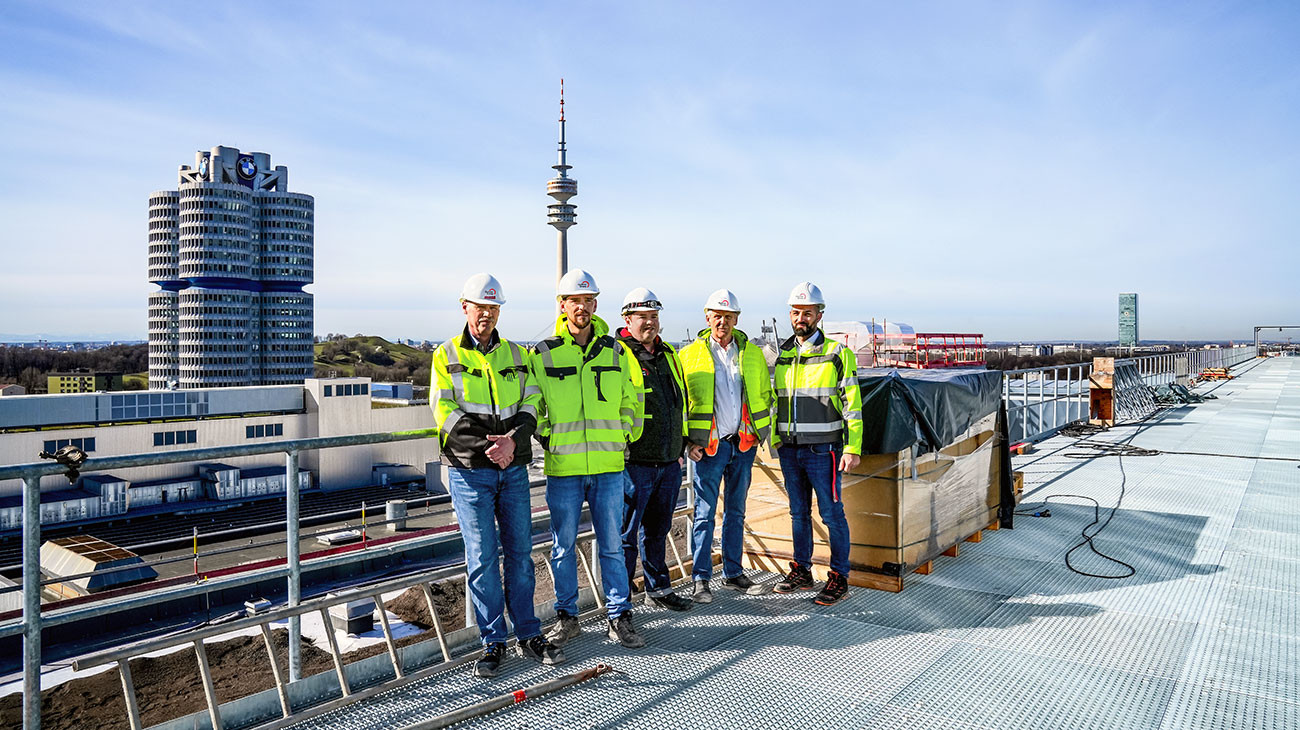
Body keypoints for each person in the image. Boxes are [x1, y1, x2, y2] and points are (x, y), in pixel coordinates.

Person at [430, 273, 564, 678]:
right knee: (483, 559)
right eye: (479, 306)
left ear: (499, 310)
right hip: (471, 472)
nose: (485, 314)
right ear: (464, 307)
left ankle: (528, 633)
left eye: (492, 307)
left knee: (521, 555)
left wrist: (513, 442)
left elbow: (533, 401)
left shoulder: (515, 354)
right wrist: (493, 446)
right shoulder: (446, 355)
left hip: (513, 469)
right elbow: (443, 411)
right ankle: (493, 641)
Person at [529, 269, 648, 648]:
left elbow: (633, 398)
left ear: (595, 304)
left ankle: (619, 615)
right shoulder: (544, 354)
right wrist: (546, 435)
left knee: (612, 544)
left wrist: (625, 433)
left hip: (609, 467)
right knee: (563, 546)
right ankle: (568, 616)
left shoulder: (615, 351)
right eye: (574, 301)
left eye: (588, 300)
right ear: (562, 306)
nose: (582, 307)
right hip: (564, 468)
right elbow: (533, 401)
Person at [678, 289, 776, 603]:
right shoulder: (689, 355)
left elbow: (764, 395)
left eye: (728, 317)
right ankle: (702, 579)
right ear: (707, 317)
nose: (723, 322)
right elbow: (680, 403)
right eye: (717, 316)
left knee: (736, 512)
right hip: (709, 447)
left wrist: (760, 432)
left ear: (736, 319)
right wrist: (687, 442)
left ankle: (733, 574)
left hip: (743, 444)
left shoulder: (752, 353)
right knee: (705, 513)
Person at [771, 281, 863, 606]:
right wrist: (775, 440)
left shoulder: (837, 353)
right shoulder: (783, 355)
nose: (800, 318)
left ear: (819, 315)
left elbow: (852, 403)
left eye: (807, 312)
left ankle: (839, 577)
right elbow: (776, 402)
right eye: (795, 312)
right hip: (790, 449)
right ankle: (802, 570)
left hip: (823, 450)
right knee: (798, 512)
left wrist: (852, 448)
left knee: (831, 513)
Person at [616, 287, 693, 612]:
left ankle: (658, 589)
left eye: (654, 316)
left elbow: (680, 402)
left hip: (668, 461)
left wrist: (682, 444)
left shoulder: (668, 355)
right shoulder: (618, 354)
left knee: (658, 531)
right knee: (626, 536)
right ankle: (621, 601)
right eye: (642, 317)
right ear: (627, 319)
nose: (649, 323)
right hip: (634, 462)